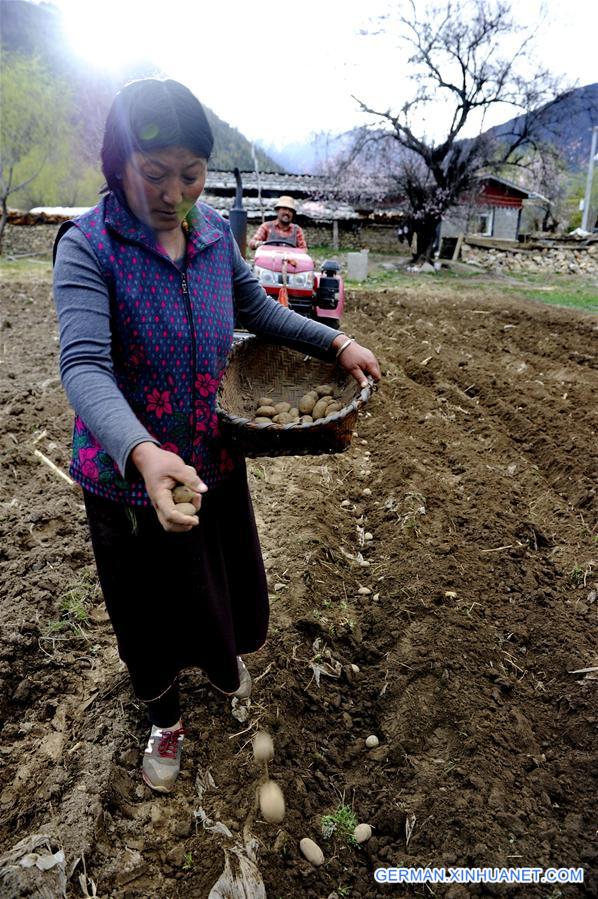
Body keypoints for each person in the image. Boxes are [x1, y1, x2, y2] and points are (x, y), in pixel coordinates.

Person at [52, 78, 381, 794]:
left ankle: (220, 658)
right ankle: (165, 717)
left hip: (210, 457)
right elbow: (82, 365)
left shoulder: (208, 235)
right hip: (131, 482)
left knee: (218, 588)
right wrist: (141, 451)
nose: (174, 193)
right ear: (117, 165)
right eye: (155, 174)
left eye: (191, 175)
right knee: (147, 611)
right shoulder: (89, 246)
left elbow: (258, 309)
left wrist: (335, 343)